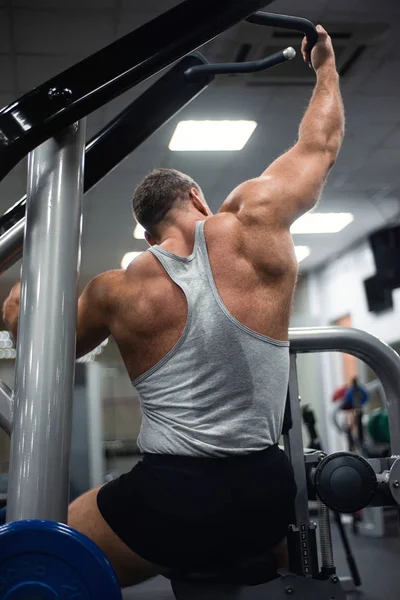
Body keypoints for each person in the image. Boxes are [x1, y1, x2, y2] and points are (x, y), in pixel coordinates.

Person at [2, 26, 344, 588]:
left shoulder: (118, 290)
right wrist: (325, 67)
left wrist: (19, 296)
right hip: (267, 489)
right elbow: (319, 146)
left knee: (36, 545)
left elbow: (40, 348)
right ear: (196, 197)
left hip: (173, 501)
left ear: (145, 230)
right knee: (259, 539)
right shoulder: (255, 221)